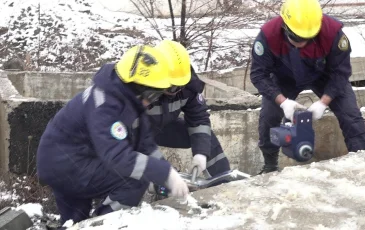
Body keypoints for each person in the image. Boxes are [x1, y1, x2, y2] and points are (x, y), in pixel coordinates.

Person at [36, 43, 191, 225]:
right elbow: (117, 156)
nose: (151, 102)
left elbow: (146, 145)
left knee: (75, 222)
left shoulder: (127, 99)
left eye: (156, 96)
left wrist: (168, 172)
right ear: (136, 86)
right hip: (65, 165)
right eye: (151, 94)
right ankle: (103, 224)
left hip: (72, 161)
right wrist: (162, 173)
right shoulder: (104, 105)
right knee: (134, 180)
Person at [250, 0, 365, 174]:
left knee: (350, 114)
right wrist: (283, 102)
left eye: (307, 38)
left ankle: (363, 165)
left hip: (324, 75)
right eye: (297, 38)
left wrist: (323, 102)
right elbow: (258, 75)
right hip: (284, 77)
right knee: (269, 116)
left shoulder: (333, 33)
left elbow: (340, 73)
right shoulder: (268, 35)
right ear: (285, 26)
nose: (302, 43)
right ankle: (270, 165)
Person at [146, 40, 231, 183]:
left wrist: (201, 153)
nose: (176, 91)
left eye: (180, 85)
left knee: (206, 137)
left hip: (163, 128)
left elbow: (198, 119)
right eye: (172, 86)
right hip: (134, 133)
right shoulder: (142, 85)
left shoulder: (188, 85)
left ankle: (223, 181)